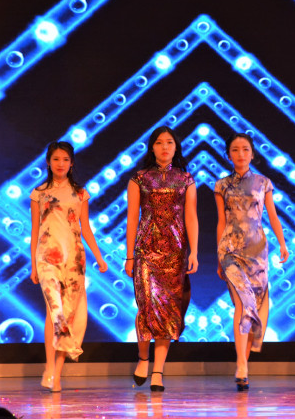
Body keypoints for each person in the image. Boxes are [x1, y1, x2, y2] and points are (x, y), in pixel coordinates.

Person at [30, 141, 108, 393]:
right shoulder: (39, 193)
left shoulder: (80, 194)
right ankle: (49, 368)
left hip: (74, 258)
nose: (60, 164)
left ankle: (57, 373)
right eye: (56, 159)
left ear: (72, 163)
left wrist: (99, 257)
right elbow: (35, 230)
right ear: (48, 162)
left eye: (65, 159)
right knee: (54, 311)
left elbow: (85, 228)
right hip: (46, 257)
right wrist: (33, 265)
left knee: (68, 314)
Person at [125, 127, 199, 392]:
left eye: (169, 142)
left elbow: (191, 216)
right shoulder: (139, 178)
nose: (165, 147)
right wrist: (130, 256)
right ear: (152, 147)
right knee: (146, 306)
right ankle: (143, 357)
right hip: (145, 250)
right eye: (159, 142)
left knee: (167, 311)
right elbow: (132, 218)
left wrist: (194, 252)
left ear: (176, 147)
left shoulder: (186, 179)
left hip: (174, 253)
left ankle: (158, 371)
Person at [214, 133, 290, 391]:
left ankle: (244, 362)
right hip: (230, 251)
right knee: (242, 303)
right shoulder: (222, 185)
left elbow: (273, 216)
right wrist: (218, 255)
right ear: (228, 155)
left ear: (252, 154)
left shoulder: (263, 182)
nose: (240, 154)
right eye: (235, 149)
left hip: (257, 250)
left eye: (245, 149)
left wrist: (282, 243)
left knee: (254, 307)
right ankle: (241, 364)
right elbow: (221, 221)